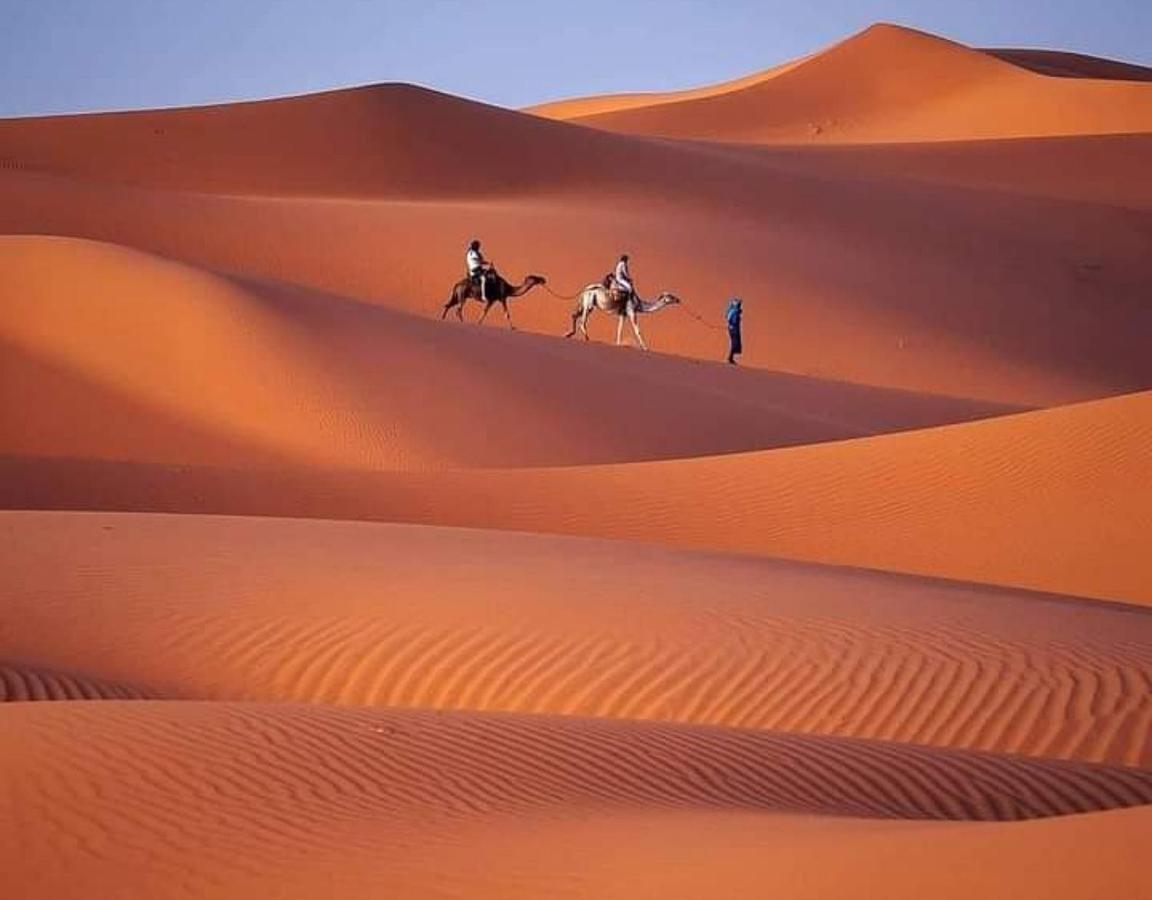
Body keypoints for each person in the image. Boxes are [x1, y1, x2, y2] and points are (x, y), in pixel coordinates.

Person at [726, 297, 743, 364]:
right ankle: (730, 358)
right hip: (734, 330)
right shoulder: (734, 312)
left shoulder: (734, 311)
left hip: (733, 329)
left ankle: (731, 358)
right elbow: (733, 321)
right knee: (734, 343)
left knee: (734, 344)